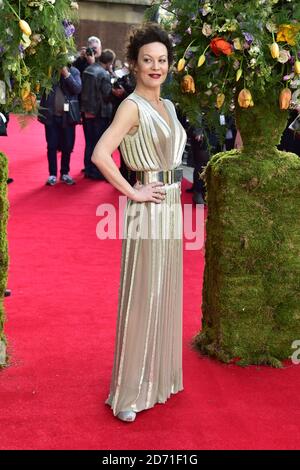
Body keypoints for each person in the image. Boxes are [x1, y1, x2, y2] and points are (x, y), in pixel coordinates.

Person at [91, 23, 187, 422]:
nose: (155, 66)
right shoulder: (132, 106)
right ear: (133, 63)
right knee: (143, 293)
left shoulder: (169, 105)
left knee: (165, 290)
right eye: (147, 60)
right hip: (147, 208)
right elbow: (100, 154)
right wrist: (133, 192)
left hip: (172, 207)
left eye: (162, 60)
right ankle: (129, 391)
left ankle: (157, 378)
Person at [81, 49, 123, 180]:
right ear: (110, 62)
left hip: (87, 111)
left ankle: (88, 169)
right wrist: (115, 93)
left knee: (89, 142)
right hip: (100, 113)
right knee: (101, 144)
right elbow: (106, 95)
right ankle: (99, 172)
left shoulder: (88, 69)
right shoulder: (103, 75)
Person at [38, 65, 82, 186]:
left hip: (67, 118)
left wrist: (66, 75)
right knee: (51, 146)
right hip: (51, 116)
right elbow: (39, 87)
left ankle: (65, 173)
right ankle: (52, 174)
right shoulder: (49, 71)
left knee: (67, 146)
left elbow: (77, 89)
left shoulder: (74, 71)